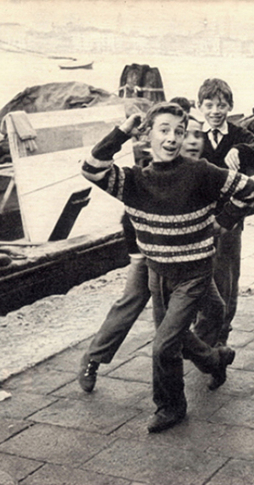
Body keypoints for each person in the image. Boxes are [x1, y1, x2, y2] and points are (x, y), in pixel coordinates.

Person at [82, 102, 254, 433]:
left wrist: (224, 221)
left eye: (179, 131)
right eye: (163, 130)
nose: (172, 138)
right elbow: (91, 168)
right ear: (147, 135)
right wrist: (122, 130)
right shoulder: (133, 181)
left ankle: (171, 406)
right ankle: (216, 360)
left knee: (164, 344)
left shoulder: (200, 171)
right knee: (175, 337)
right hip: (158, 274)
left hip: (194, 275)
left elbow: (250, 190)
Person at [77, 111, 224, 392]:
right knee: (133, 304)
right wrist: (137, 253)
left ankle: (202, 357)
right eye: (170, 131)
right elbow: (127, 214)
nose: (186, 140)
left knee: (214, 309)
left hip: (189, 260)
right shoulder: (145, 175)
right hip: (148, 254)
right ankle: (93, 358)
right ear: (151, 135)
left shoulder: (201, 171)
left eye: (192, 134)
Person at [196, 78, 254, 347]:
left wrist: (240, 150)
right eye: (209, 105)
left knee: (227, 277)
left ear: (230, 107)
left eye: (222, 105)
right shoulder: (193, 136)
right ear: (199, 106)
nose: (216, 111)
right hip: (197, 220)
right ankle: (201, 332)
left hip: (230, 218)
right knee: (198, 277)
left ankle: (221, 335)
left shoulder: (238, 134)